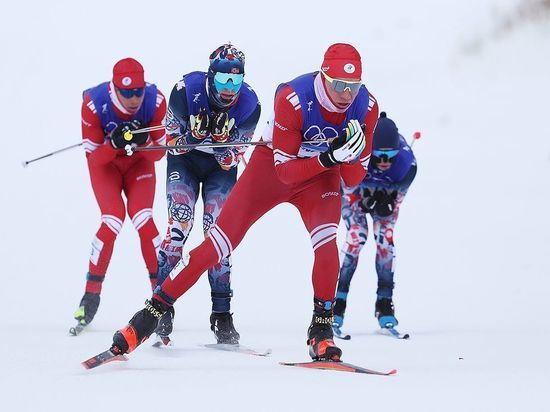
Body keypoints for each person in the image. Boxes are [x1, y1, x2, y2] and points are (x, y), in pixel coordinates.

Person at [107, 43, 379, 361]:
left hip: (319, 180)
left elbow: (354, 179)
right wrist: (331, 156)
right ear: (323, 77)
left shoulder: (366, 106)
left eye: (353, 86)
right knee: (215, 247)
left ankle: (321, 330)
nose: (346, 94)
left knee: (327, 242)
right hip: (273, 171)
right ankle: (148, 317)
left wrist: (347, 159)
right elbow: (286, 172)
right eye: (338, 85)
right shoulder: (293, 97)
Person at [153, 44, 261, 345]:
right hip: (184, 162)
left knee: (217, 238)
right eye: (223, 81)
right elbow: (170, 145)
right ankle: (161, 307)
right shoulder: (185, 90)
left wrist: (223, 144)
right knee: (178, 229)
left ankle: (221, 314)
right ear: (211, 76)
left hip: (219, 170)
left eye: (235, 82)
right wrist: (194, 136)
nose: (229, 89)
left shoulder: (250, 105)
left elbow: (231, 160)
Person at [72, 58, 167, 334]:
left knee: (144, 220)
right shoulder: (93, 104)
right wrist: (114, 142)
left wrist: (143, 140)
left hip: (139, 164)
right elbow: (95, 158)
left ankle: (161, 300)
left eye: (138, 91)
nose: (134, 98)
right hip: (107, 167)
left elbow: (160, 153)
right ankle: (90, 296)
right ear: (115, 88)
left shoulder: (156, 101)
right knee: (113, 220)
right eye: (126, 93)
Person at [332, 112, 417, 335]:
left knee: (385, 240)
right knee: (356, 238)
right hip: (356, 192)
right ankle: (337, 305)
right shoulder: (357, 156)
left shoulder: (407, 165)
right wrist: (363, 201)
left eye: (390, 156)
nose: (384, 162)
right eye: (379, 156)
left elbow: (397, 203)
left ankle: (385, 303)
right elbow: (347, 189)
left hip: (387, 193)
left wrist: (387, 204)